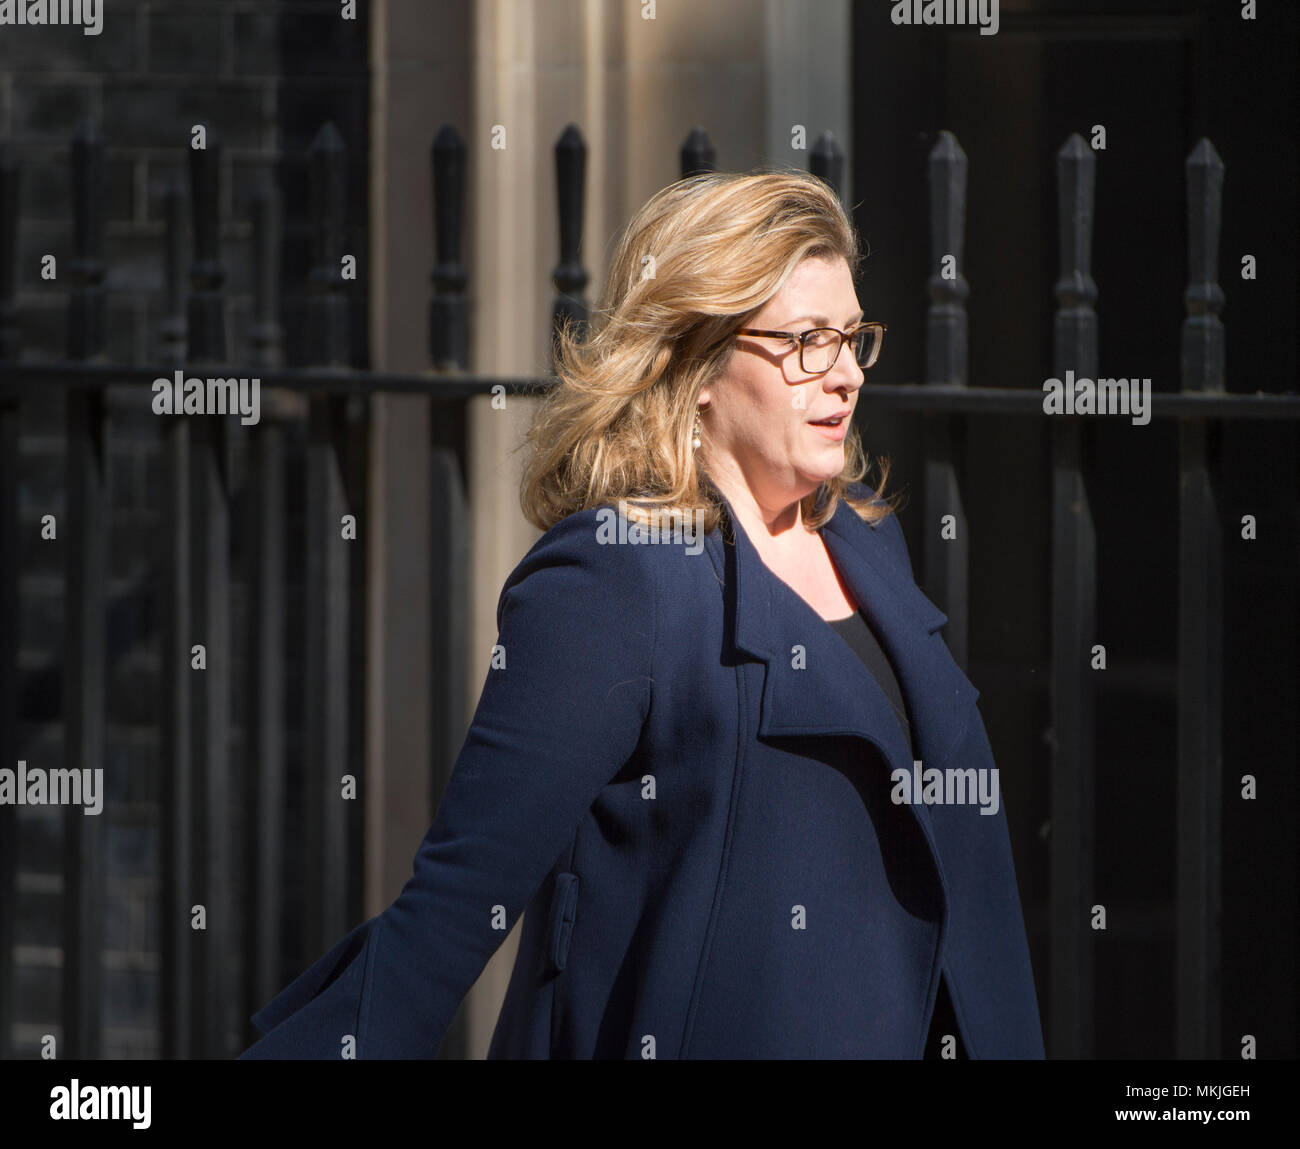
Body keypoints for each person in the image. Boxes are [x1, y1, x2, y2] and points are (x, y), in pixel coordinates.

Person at [240, 168, 1045, 1060]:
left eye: (854, 338)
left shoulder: (867, 538)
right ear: (696, 365)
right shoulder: (615, 578)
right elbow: (457, 905)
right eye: (808, 341)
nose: (847, 375)